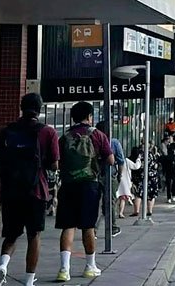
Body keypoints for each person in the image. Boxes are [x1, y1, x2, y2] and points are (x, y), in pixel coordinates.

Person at [0, 93, 59, 286]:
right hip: (36, 191)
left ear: (21, 107)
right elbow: (54, 164)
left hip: (11, 192)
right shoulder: (47, 132)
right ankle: (29, 280)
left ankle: (3, 266)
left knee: (11, 234)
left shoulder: (7, 131)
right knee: (34, 235)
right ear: (40, 109)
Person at [55, 101, 114, 281]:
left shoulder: (64, 137)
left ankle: (64, 270)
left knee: (68, 226)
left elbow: (57, 161)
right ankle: (90, 266)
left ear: (73, 117)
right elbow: (110, 160)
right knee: (88, 226)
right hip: (89, 185)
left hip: (68, 185)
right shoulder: (98, 135)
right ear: (90, 116)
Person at [94, 120, 123, 238]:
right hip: (110, 176)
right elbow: (120, 161)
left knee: (95, 203)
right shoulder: (114, 142)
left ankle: (93, 230)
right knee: (110, 202)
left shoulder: (93, 141)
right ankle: (113, 227)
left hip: (95, 175)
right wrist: (120, 175)